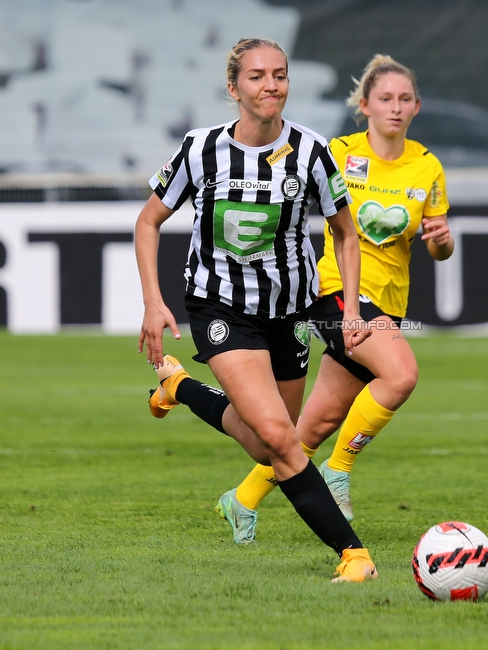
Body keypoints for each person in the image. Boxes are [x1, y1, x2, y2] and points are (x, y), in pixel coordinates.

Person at [135, 37, 378, 582]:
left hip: (290, 311)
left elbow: (345, 233)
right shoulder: (201, 149)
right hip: (221, 307)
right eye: (257, 76)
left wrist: (354, 306)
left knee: (269, 442)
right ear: (233, 87)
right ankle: (353, 555)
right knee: (279, 438)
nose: (271, 85)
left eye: (280, 75)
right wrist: (154, 302)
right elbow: (147, 221)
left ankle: (178, 388)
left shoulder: (313, 151)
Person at [206, 54, 453, 543]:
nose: (395, 107)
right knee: (401, 375)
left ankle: (242, 500)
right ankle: (338, 472)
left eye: (405, 99)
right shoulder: (336, 151)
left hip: (389, 302)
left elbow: (437, 248)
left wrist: (442, 240)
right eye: (385, 98)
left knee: (312, 426)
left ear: (418, 106)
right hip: (333, 291)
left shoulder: (427, 167)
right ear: (365, 105)